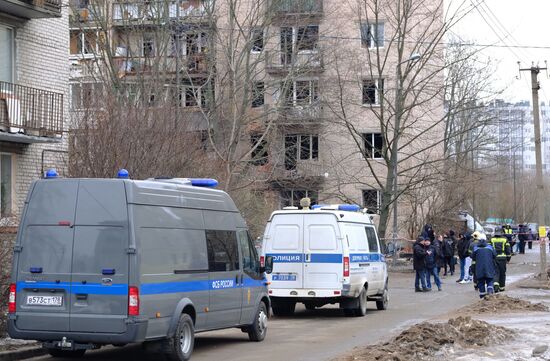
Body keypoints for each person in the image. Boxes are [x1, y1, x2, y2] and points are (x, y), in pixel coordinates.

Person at [490, 227, 512, 292]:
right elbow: (508, 250)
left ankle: (495, 285)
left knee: (495, 273)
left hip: (494, 258)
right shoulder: (505, 239)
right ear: (501, 232)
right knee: (502, 273)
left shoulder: (491, 239)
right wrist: (508, 258)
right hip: (502, 259)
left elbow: (489, 249)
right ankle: (502, 288)